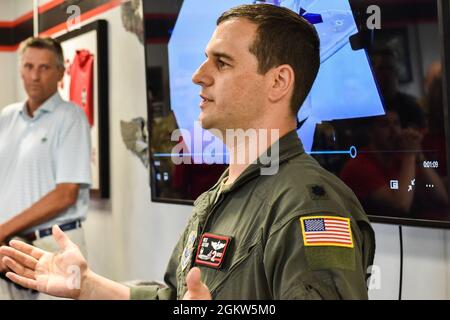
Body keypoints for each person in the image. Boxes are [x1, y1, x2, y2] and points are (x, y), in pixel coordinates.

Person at [0, 4, 375, 300]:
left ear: (278, 81)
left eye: (222, 62)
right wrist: (88, 286)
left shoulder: (308, 206)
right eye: (205, 59)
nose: (198, 74)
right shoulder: (219, 197)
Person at [0, 37, 91, 299]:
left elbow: (66, 194)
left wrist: (3, 230)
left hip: (55, 246)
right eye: (29, 67)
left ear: (61, 72)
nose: (35, 76)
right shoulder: (7, 117)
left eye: (44, 68)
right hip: (10, 247)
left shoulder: (71, 117)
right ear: (20, 70)